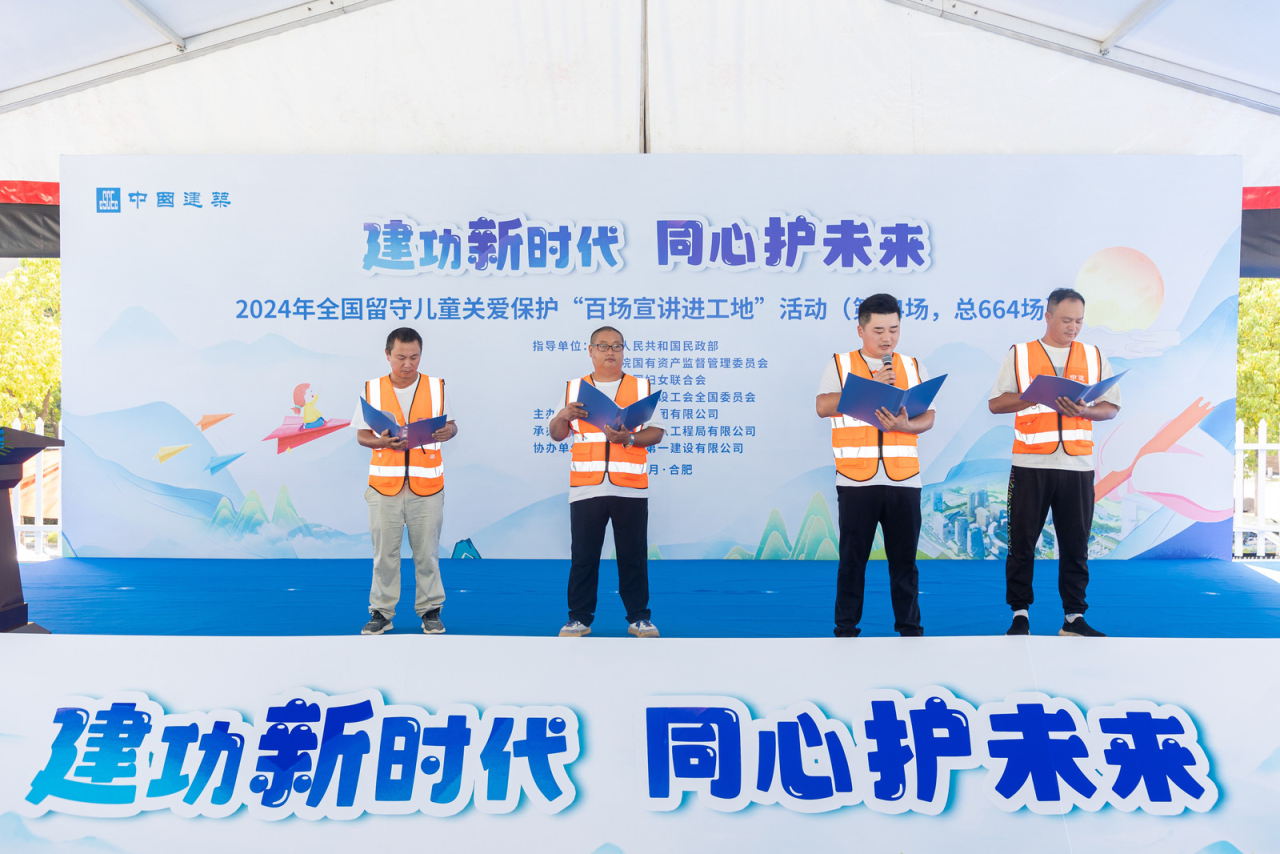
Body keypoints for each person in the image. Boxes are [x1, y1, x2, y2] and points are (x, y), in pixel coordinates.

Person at [988, 287, 1120, 637]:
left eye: (1079, 321)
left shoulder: (1093, 355)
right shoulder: (1020, 354)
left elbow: (1111, 408)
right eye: (1066, 320)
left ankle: (1074, 617)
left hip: (1077, 466)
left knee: (1076, 545)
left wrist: (1085, 411)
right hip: (1030, 465)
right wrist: (1034, 396)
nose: (1073, 327)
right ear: (1047, 317)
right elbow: (996, 404)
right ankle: (1020, 614)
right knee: (1022, 543)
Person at [815, 293, 935, 637]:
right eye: (879, 330)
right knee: (852, 561)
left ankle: (910, 629)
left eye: (894, 330)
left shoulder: (912, 366)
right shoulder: (840, 364)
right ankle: (846, 629)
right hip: (856, 480)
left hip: (904, 479)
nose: (887, 338)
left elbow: (928, 417)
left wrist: (906, 425)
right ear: (861, 330)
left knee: (905, 563)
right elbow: (823, 406)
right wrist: (869, 388)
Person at [548, 326, 665, 638]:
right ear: (590, 351)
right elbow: (557, 434)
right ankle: (579, 619)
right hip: (586, 487)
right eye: (602, 346)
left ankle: (639, 618)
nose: (610, 351)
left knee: (633, 556)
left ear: (624, 350)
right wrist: (563, 415)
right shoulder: (575, 389)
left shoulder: (640, 387)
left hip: (630, 487)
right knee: (583, 557)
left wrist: (629, 439)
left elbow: (657, 432)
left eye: (616, 346)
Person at [355, 327, 457, 636]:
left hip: (427, 488)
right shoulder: (372, 389)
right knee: (384, 555)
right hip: (384, 488)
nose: (408, 364)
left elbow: (451, 426)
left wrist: (448, 432)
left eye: (414, 357)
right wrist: (382, 442)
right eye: (401, 357)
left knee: (427, 553)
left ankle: (431, 611)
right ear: (387, 355)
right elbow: (362, 435)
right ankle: (381, 613)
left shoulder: (436, 387)